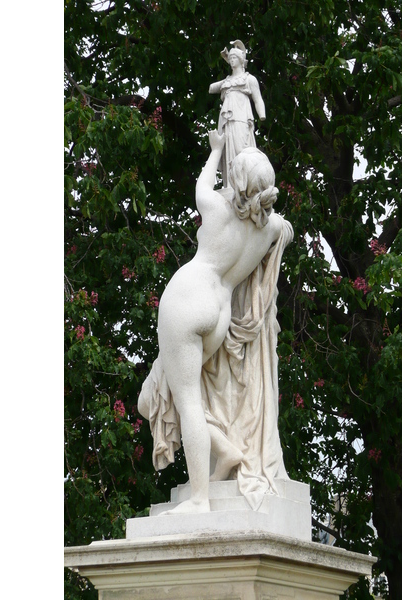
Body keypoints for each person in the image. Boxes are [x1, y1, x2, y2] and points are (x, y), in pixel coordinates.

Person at [138, 130, 292, 514]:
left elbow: (203, 182)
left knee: (186, 401)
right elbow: (278, 224)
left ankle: (199, 499)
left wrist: (217, 150)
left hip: (188, 301)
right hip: (219, 316)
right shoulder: (272, 229)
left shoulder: (217, 209)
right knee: (159, 395)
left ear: (236, 182)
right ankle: (224, 453)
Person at [209, 40, 266, 187]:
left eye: (235, 58)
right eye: (231, 58)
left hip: (241, 117)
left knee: (242, 149)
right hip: (226, 119)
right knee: (228, 150)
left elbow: (258, 99)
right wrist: (224, 82)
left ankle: (244, 184)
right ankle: (229, 184)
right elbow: (211, 88)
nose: (232, 60)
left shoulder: (249, 79)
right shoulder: (227, 81)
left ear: (241, 60)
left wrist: (261, 115)